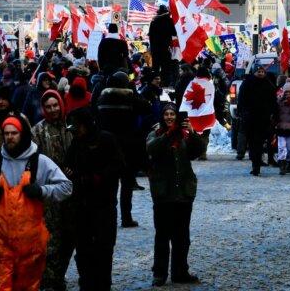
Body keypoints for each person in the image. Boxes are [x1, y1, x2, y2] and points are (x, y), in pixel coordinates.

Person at [0, 115, 72, 291]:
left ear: (22, 134)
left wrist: (42, 191)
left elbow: (66, 187)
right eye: (6, 133)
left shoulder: (39, 161)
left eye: (14, 133)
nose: (9, 137)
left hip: (30, 248)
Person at [65, 108, 124, 291]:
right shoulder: (77, 142)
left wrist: (97, 178)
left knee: (104, 250)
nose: (76, 130)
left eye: (78, 126)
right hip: (82, 205)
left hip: (103, 205)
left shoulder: (106, 139)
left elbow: (118, 165)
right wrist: (73, 174)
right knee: (83, 251)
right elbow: (68, 165)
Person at [146, 105, 202, 286]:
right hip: (163, 193)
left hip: (183, 193)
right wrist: (167, 134)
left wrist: (192, 133)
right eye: (166, 114)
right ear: (162, 116)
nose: (169, 117)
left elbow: (197, 151)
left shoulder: (184, 134)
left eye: (172, 114)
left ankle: (180, 271)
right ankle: (159, 273)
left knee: (182, 236)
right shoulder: (156, 132)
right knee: (162, 235)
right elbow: (151, 149)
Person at [31, 90, 75, 291]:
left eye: (55, 105)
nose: (53, 109)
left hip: (72, 191)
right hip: (49, 193)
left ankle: (58, 276)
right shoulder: (38, 131)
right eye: (48, 106)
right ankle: (50, 281)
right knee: (51, 241)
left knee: (69, 239)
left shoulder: (71, 127)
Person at [96, 71, 150, 227]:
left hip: (107, 146)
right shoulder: (130, 97)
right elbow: (146, 107)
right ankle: (126, 217)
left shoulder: (102, 98)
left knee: (109, 184)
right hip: (128, 146)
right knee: (127, 184)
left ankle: (107, 218)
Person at [238, 64, 277, 176]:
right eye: (258, 71)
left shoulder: (268, 84)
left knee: (259, 142)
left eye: (262, 72)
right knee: (253, 142)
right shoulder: (248, 83)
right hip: (250, 118)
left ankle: (257, 165)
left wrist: (273, 114)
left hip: (263, 119)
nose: (260, 73)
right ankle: (256, 164)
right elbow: (241, 98)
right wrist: (242, 112)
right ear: (254, 72)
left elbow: (273, 101)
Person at [147, 6, 176, 86]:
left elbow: (150, 35)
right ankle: (165, 84)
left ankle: (154, 83)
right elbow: (174, 33)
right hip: (165, 49)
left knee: (155, 68)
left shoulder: (154, 21)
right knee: (165, 68)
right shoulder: (169, 21)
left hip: (155, 49)